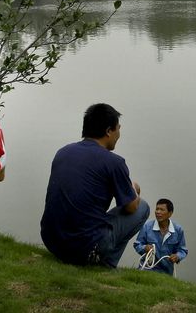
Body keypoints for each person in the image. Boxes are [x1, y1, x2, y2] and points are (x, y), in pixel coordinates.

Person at [40, 103, 150, 267]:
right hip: (83, 248)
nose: (119, 134)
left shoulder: (63, 152)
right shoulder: (114, 162)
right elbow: (131, 207)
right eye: (118, 129)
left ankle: (101, 261)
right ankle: (107, 263)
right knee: (143, 207)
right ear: (108, 131)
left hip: (52, 242)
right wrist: (133, 188)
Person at [133, 198, 188, 275]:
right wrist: (145, 248)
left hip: (166, 272)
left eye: (162, 210)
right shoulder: (147, 226)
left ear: (170, 213)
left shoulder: (178, 230)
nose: (158, 212)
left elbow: (183, 250)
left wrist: (177, 256)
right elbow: (137, 244)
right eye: (157, 209)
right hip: (146, 269)